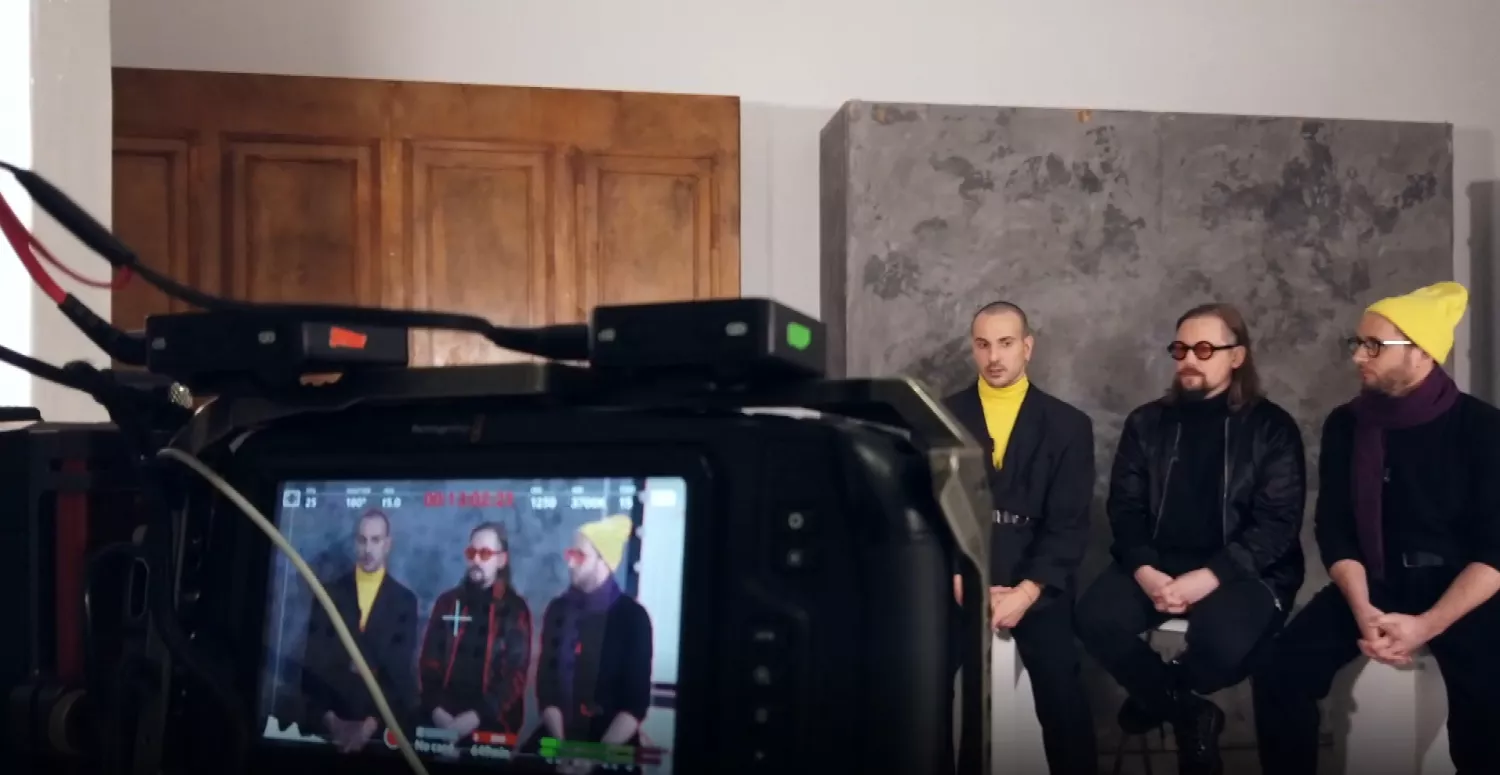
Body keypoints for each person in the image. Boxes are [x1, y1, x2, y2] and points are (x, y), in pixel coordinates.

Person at [1253, 282, 1500, 775]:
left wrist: (1426, 625)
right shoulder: (1346, 424)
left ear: (1421, 351)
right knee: (1280, 671)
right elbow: (1335, 527)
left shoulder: (1482, 428)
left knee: (1485, 720)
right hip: (1374, 582)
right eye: (1357, 343)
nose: (1358, 357)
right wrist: (1363, 609)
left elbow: (1495, 552)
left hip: (1459, 590)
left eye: (1373, 345)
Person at [1074, 303, 1305, 775]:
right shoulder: (1146, 423)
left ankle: (1160, 695)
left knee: (1222, 644)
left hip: (1244, 569)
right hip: (1158, 561)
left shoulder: (1271, 428)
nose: (1188, 360)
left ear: (1236, 356)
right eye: (1180, 349)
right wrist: (1145, 570)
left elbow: (1276, 526)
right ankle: (1190, 714)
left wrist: (1209, 577)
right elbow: (1125, 508)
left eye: (1203, 349)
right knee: (1094, 618)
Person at [943, 301, 1097, 774]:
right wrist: (956, 575)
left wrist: (1028, 592)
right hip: (960, 578)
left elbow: (1068, 525)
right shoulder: (942, 417)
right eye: (983, 344)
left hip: (1037, 577)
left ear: (1027, 347)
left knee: (1062, 692)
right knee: (920, 687)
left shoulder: (1069, 425)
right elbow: (929, 510)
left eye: (1006, 343)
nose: (994, 356)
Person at [531, 514, 654, 753]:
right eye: (570, 554)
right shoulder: (557, 609)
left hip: (610, 744)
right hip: (558, 737)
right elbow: (546, 690)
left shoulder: (634, 618)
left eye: (580, 556)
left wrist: (594, 756)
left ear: (603, 561)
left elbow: (635, 705)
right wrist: (561, 746)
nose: (570, 563)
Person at [300, 509, 420, 752]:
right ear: (355, 543)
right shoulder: (328, 594)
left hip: (381, 735)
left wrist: (367, 728)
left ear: (387, 544)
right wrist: (333, 723)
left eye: (375, 540)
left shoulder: (405, 602)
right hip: (328, 727)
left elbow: (399, 675)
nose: (368, 549)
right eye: (362, 540)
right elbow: (314, 665)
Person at [417, 522, 533, 742]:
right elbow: (428, 663)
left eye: (485, 553)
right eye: (471, 553)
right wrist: (437, 710)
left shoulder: (515, 610)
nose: (476, 560)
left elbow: (514, 677)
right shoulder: (447, 603)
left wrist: (477, 716)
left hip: (491, 720)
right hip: (439, 714)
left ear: (501, 560)